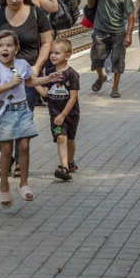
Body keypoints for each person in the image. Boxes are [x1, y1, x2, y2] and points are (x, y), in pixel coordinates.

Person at [0, 30, 59, 205]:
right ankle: (4, 185)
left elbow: (30, 82)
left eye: (9, 45)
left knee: (24, 146)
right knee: (7, 151)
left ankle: (23, 184)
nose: (5, 49)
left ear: (16, 49)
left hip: (23, 110)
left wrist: (47, 78)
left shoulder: (22, 64)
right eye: (1, 46)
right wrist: (8, 85)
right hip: (5, 112)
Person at [85, 0, 136, 98]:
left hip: (117, 32)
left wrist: (129, 34)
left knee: (117, 61)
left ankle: (115, 87)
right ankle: (101, 77)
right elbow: (89, 5)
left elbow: (131, 14)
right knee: (96, 58)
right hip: (100, 31)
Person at [36, 38, 80, 181]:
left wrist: (63, 114)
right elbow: (45, 94)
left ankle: (71, 162)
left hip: (71, 114)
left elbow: (73, 97)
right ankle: (64, 167)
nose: (53, 56)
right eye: (51, 53)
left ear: (67, 56)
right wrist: (33, 81)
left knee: (70, 140)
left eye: (57, 53)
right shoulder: (49, 72)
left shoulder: (72, 74)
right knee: (60, 138)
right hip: (55, 115)